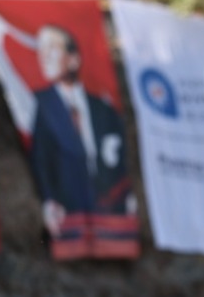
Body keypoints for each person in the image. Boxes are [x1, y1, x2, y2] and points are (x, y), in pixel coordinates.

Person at [30, 24, 131, 241]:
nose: (45, 56)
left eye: (53, 48)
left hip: (108, 203)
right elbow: (41, 158)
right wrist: (49, 199)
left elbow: (119, 157)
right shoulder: (44, 104)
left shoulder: (102, 108)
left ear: (73, 59)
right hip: (70, 205)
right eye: (42, 49)